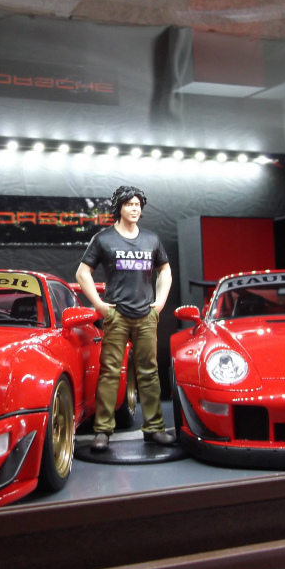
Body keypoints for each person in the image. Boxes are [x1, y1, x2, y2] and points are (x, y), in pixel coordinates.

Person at [76, 185, 174, 452]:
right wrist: (99, 305)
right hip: (117, 315)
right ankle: (102, 431)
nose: (135, 208)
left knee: (149, 373)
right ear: (119, 207)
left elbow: (165, 270)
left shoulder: (151, 239)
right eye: (129, 204)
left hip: (146, 316)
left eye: (138, 204)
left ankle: (154, 428)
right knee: (109, 373)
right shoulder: (104, 239)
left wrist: (159, 303)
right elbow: (82, 273)